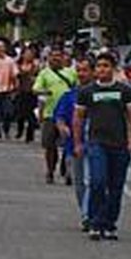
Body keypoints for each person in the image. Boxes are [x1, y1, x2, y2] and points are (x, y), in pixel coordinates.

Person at [74, 52, 131, 241]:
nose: (102, 70)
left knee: (116, 187)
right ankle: (95, 222)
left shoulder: (125, 91)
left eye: (106, 66)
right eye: (99, 66)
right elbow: (78, 118)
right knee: (98, 182)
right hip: (96, 144)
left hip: (119, 145)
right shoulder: (87, 92)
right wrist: (78, 143)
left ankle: (110, 224)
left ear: (113, 68)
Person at [55, 56, 94, 230]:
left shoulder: (98, 94)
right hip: (75, 144)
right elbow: (60, 116)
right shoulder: (70, 95)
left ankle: (88, 215)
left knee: (91, 180)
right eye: (79, 70)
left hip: (96, 143)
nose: (81, 74)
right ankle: (85, 212)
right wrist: (62, 127)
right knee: (79, 182)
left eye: (85, 70)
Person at [34, 47, 78, 184]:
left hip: (68, 114)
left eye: (59, 56)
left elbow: (78, 89)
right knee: (49, 145)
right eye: (53, 56)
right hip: (50, 114)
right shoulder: (44, 74)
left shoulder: (71, 73)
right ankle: (50, 170)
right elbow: (35, 89)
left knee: (69, 143)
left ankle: (67, 169)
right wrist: (45, 92)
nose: (56, 58)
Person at [14, 46, 40, 143]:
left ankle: (30, 135)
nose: (28, 55)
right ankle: (20, 130)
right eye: (27, 53)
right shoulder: (17, 64)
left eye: (31, 54)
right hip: (20, 92)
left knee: (30, 114)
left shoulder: (35, 66)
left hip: (31, 92)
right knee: (20, 114)